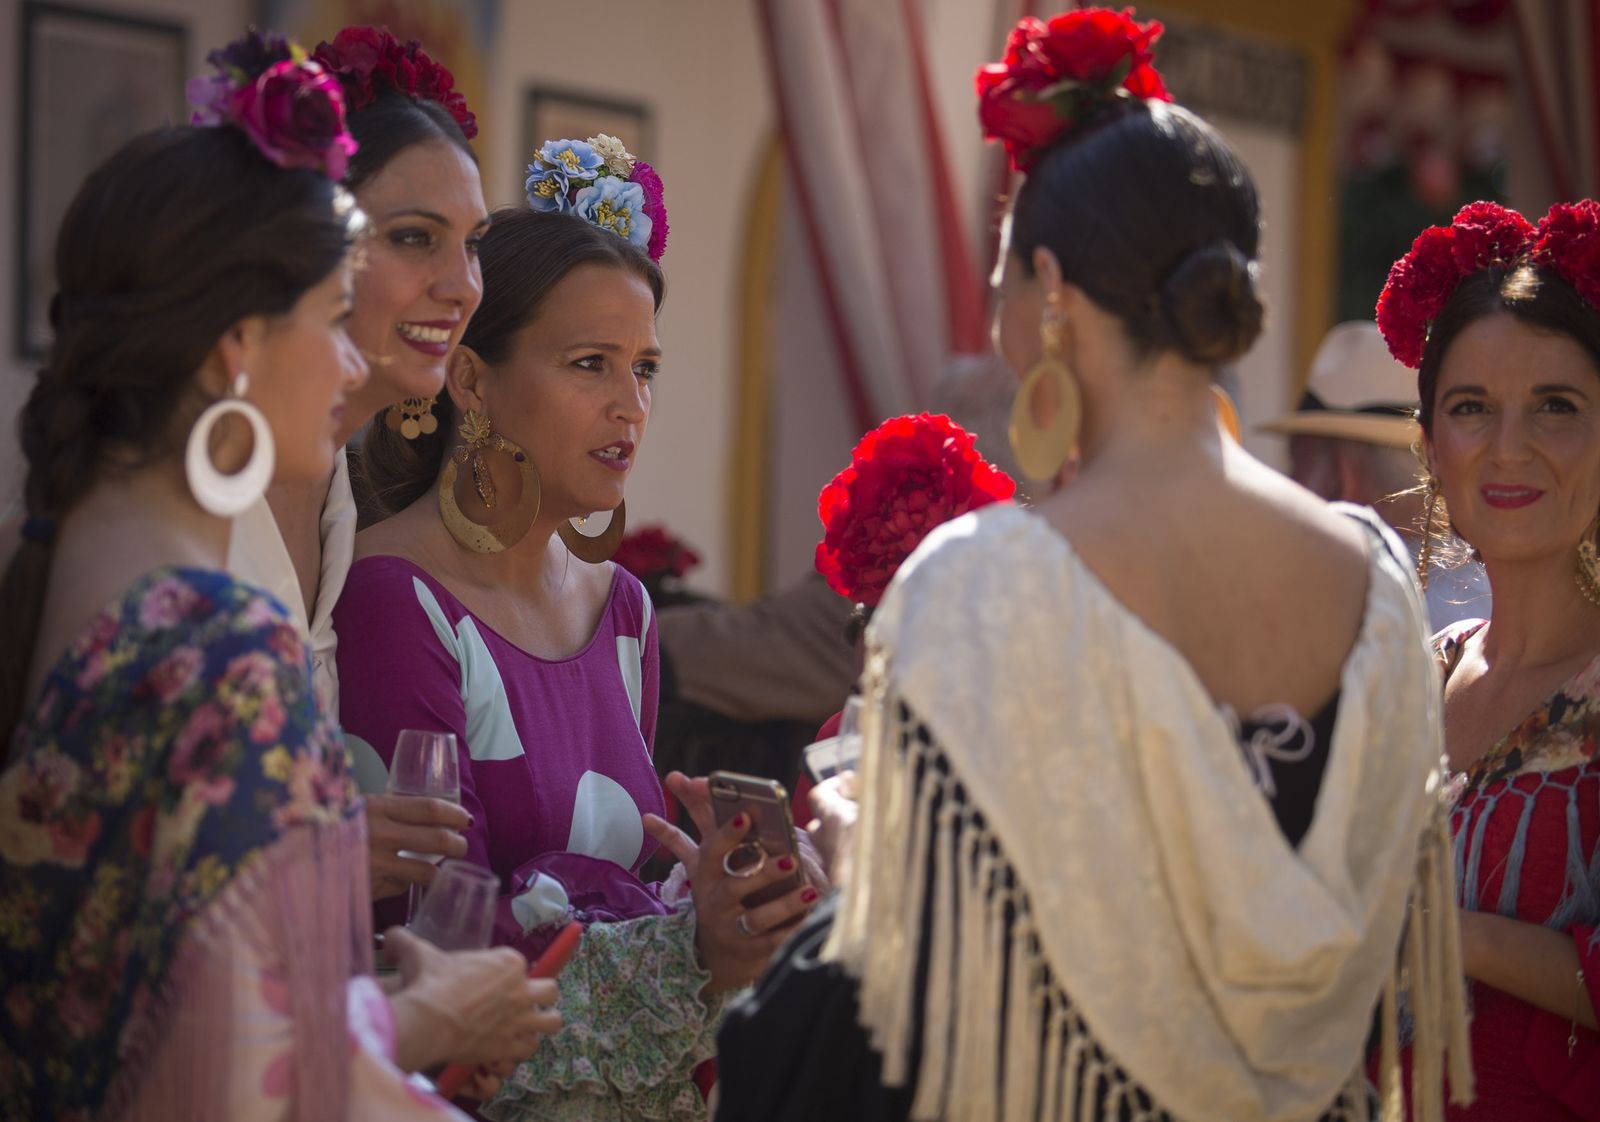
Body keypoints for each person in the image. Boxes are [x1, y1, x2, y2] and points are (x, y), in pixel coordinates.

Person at [714, 11, 1471, 1122]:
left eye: (1002, 270)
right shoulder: (1373, 581)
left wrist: (870, 851)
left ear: (1052, 287)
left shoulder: (981, 580)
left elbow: (936, 980)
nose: (994, 306)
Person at [0, 54, 553, 1121]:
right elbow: (233, 1079)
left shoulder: (92, 576)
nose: (348, 364)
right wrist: (426, 1020)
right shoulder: (215, 643)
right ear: (239, 347)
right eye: (328, 313)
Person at [335, 137, 812, 1122]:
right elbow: (423, 953)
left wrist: (718, 906)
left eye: (643, 368)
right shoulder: (396, 598)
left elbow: (621, 896)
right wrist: (691, 955)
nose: (628, 405)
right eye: (589, 364)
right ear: (470, 382)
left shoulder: (624, 611)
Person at [217, 26, 491, 905]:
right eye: (416, 238)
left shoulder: (341, 493)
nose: (462, 285)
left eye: (473, 242)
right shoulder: (194, 501)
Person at [1375, 199, 1600, 1118]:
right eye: (1472, 409)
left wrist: (1433, 930)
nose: (1511, 448)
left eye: (1556, 406)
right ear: (1431, 444)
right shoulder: (1410, 676)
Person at [1259, 320, 1489, 629]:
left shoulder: (1333, 605)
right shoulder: (1498, 586)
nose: (1289, 485)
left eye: (1296, 464)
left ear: (1342, 478)